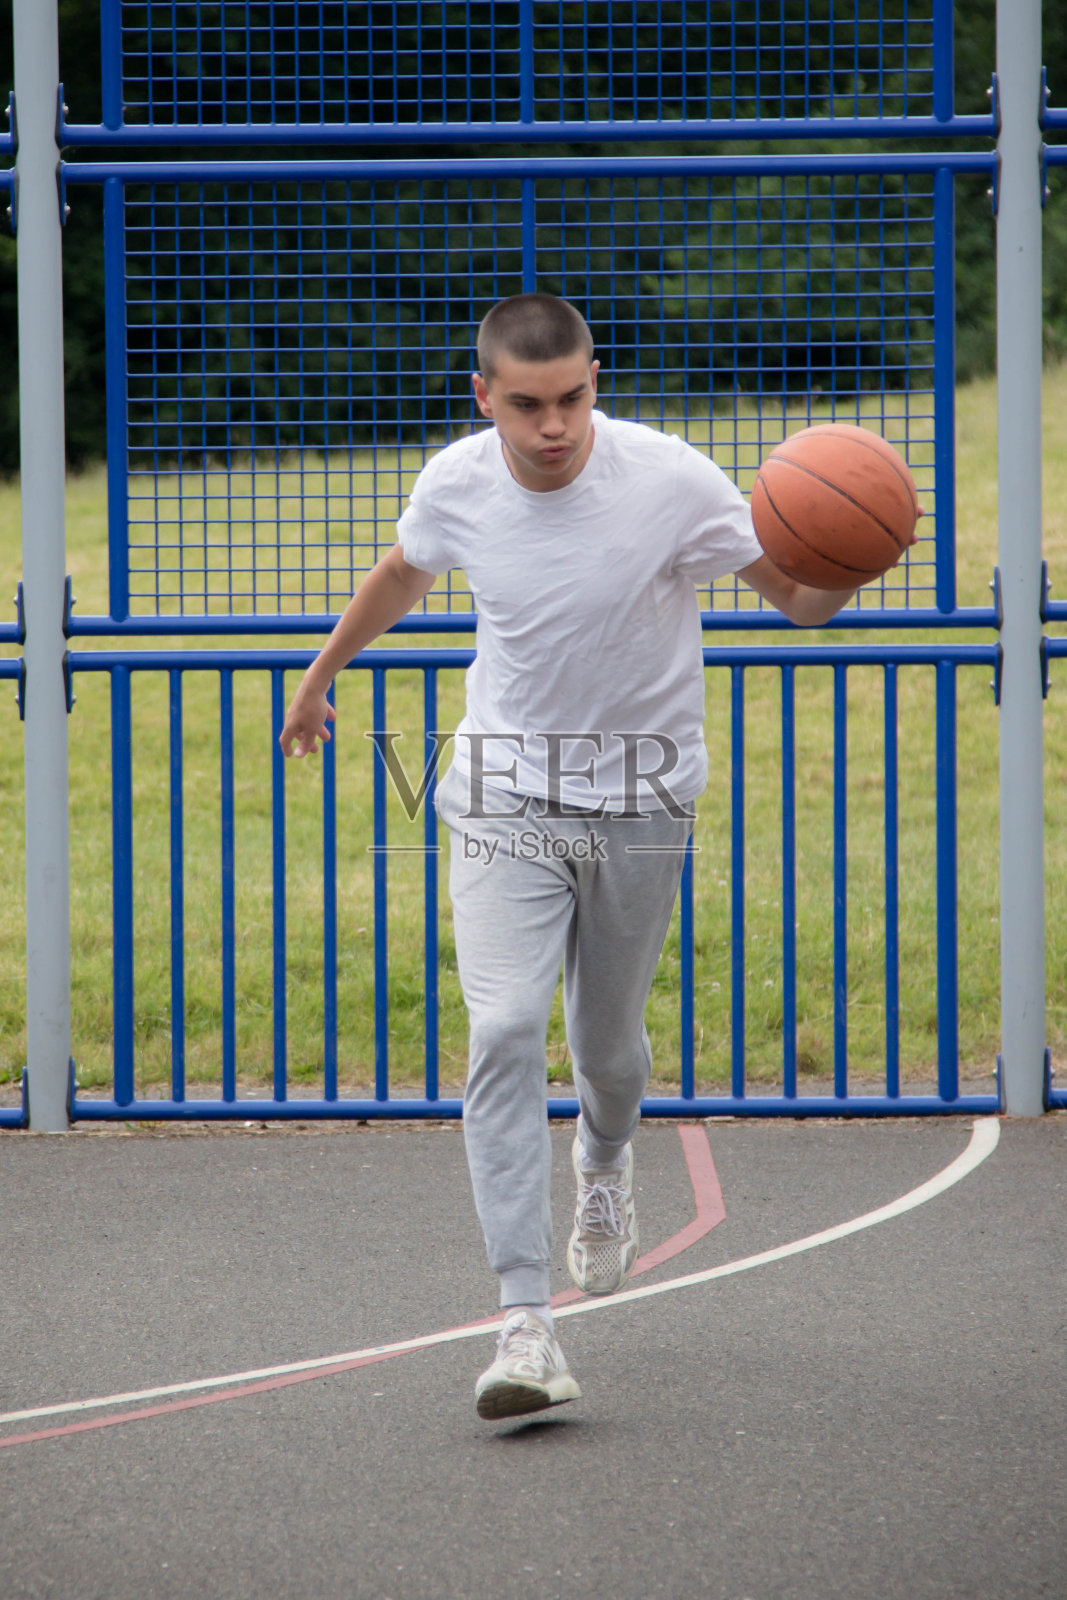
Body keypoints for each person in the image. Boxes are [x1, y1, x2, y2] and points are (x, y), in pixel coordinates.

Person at [280, 293, 865, 1422]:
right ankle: (523, 1321)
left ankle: (603, 1163)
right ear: (483, 395)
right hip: (500, 791)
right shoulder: (456, 482)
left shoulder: (671, 480)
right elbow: (406, 569)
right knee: (501, 1027)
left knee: (604, 1046)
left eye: (574, 398)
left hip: (643, 793)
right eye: (528, 404)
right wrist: (320, 673)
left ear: (596, 380)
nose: (554, 425)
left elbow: (796, 600)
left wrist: (857, 551)